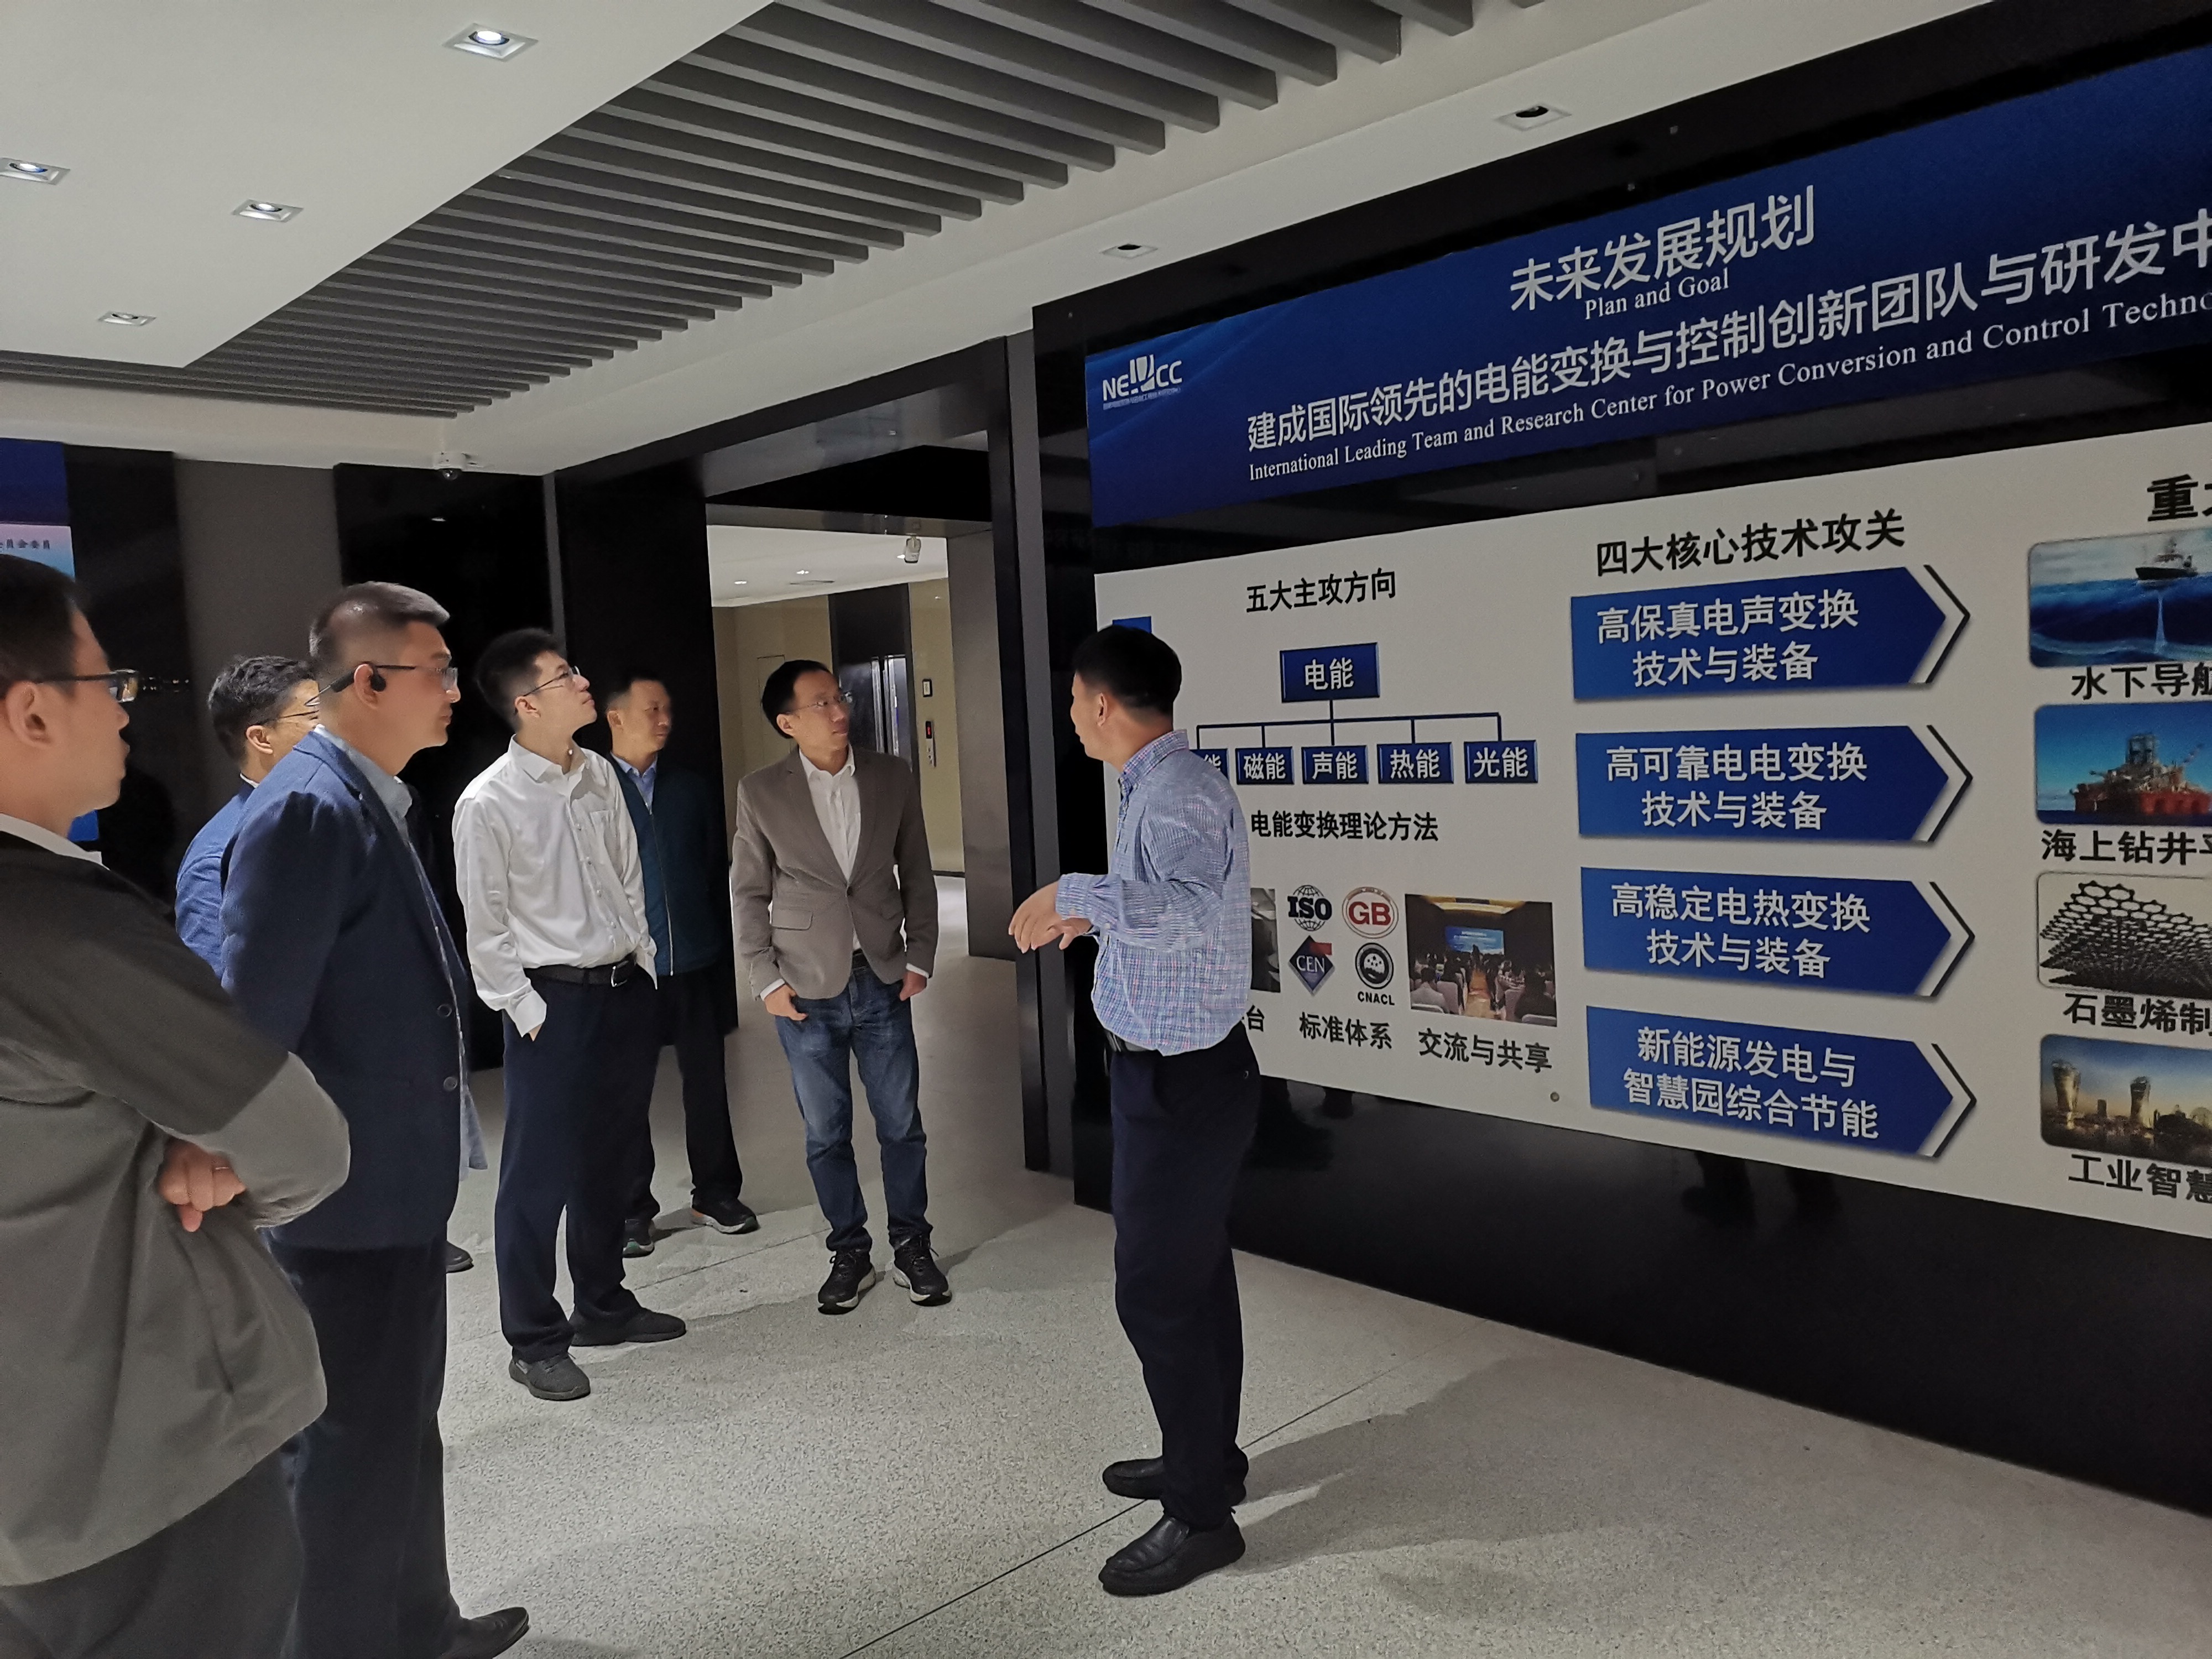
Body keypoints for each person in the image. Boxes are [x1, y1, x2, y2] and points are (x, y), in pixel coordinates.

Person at [0, 554, 349, 1659]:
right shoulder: (57, 925)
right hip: (134, 1453)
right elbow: (300, 1140)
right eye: (106, 683)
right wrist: (222, 1154)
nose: (123, 711)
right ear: (30, 713)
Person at [222, 582, 524, 1659]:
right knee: (351, 1446)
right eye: (435, 672)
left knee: (401, 1426)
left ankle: (419, 1622)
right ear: (368, 681)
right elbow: (252, 1021)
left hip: (390, 1185)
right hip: (342, 1202)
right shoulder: (308, 808)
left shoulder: (367, 796)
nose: (453, 692)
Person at [1010, 624, 1260, 1598]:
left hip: (1184, 1085)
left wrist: (1077, 892)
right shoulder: (1151, 784)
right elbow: (1171, 910)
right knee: (1193, 1279)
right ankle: (1207, 1458)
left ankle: (1202, 1518)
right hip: (1167, 1076)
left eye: (1076, 702)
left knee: (1157, 1291)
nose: (1073, 717)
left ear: (1104, 703)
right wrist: (1098, 915)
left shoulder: (1177, 792)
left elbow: (1191, 907)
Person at [453, 630, 685, 1405]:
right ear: (527, 704)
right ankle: (533, 1339)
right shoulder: (488, 802)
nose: (583, 683)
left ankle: (604, 1306)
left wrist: (642, 958)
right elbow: (485, 928)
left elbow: (627, 875)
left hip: (622, 990)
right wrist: (527, 1011)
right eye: (564, 677)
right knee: (537, 1177)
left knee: (610, 1162)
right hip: (551, 1004)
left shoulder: (600, 776)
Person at [731, 659, 949, 1314]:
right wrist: (764, 978)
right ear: (787, 723)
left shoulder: (891, 775)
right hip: (803, 985)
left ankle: (912, 1244)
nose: (838, 710)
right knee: (826, 1131)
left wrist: (922, 955)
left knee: (901, 1124)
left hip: (881, 974)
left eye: (838, 697)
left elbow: (917, 870)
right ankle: (849, 1250)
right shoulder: (761, 792)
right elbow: (749, 891)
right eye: (820, 703)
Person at [603, 669, 756, 1255]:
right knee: (626, 1093)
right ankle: (631, 1209)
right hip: (626, 967)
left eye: (668, 709)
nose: (665, 720)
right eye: (652, 710)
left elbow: (714, 868)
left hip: (694, 958)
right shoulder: (591, 791)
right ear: (615, 717)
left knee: (708, 1084)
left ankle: (715, 1193)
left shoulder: (690, 788)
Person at [175, 654, 316, 974]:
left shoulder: (333, 813)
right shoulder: (216, 858)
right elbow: (213, 989)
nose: (333, 731)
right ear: (261, 738)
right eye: (316, 716)